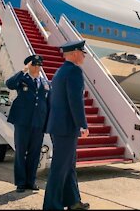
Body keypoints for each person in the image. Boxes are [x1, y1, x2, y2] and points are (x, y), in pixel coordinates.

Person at [43, 40, 90, 210]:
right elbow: (75, 101)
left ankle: (73, 201)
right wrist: (82, 124)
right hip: (66, 127)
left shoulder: (60, 72)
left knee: (68, 165)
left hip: (58, 126)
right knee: (60, 168)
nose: (84, 56)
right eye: (83, 52)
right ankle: (52, 206)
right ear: (75, 53)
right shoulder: (74, 72)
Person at [6, 54, 50, 193]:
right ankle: (20, 182)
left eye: (39, 65)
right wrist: (23, 70)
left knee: (34, 153)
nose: (37, 67)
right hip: (22, 121)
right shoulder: (22, 79)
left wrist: (47, 122)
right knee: (20, 152)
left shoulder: (44, 82)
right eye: (34, 65)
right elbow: (9, 84)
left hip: (38, 122)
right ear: (29, 65)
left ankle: (31, 181)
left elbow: (48, 103)